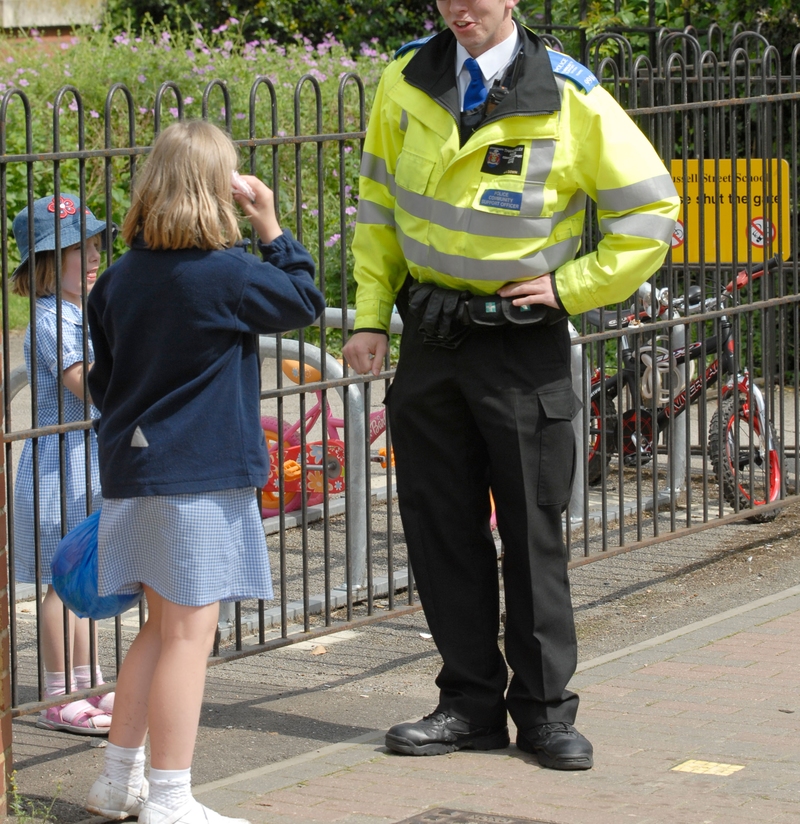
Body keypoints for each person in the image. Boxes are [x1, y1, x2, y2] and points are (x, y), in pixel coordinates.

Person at [342, 0, 680, 770]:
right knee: (440, 530)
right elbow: (377, 209)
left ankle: (545, 714)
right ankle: (467, 706)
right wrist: (368, 317)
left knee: (532, 532)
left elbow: (652, 209)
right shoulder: (404, 79)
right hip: (430, 340)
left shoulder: (567, 93)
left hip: (519, 345)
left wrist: (574, 288)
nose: (460, 9)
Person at [83, 120, 325, 824]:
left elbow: (107, 380)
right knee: (192, 635)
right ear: (217, 188)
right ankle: (169, 797)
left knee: (158, 633)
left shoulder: (118, 279)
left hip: (134, 469)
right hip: (198, 475)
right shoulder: (227, 273)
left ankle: (117, 781)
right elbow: (303, 301)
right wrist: (272, 223)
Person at [10, 194, 116, 735]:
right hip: (57, 467)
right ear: (48, 263)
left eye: (96, 244)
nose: (95, 255)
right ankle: (57, 695)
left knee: (85, 576)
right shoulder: (51, 320)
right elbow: (88, 385)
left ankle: (89, 682)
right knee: (61, 584)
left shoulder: (81, 312)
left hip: (87, 462)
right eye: (80, 248)